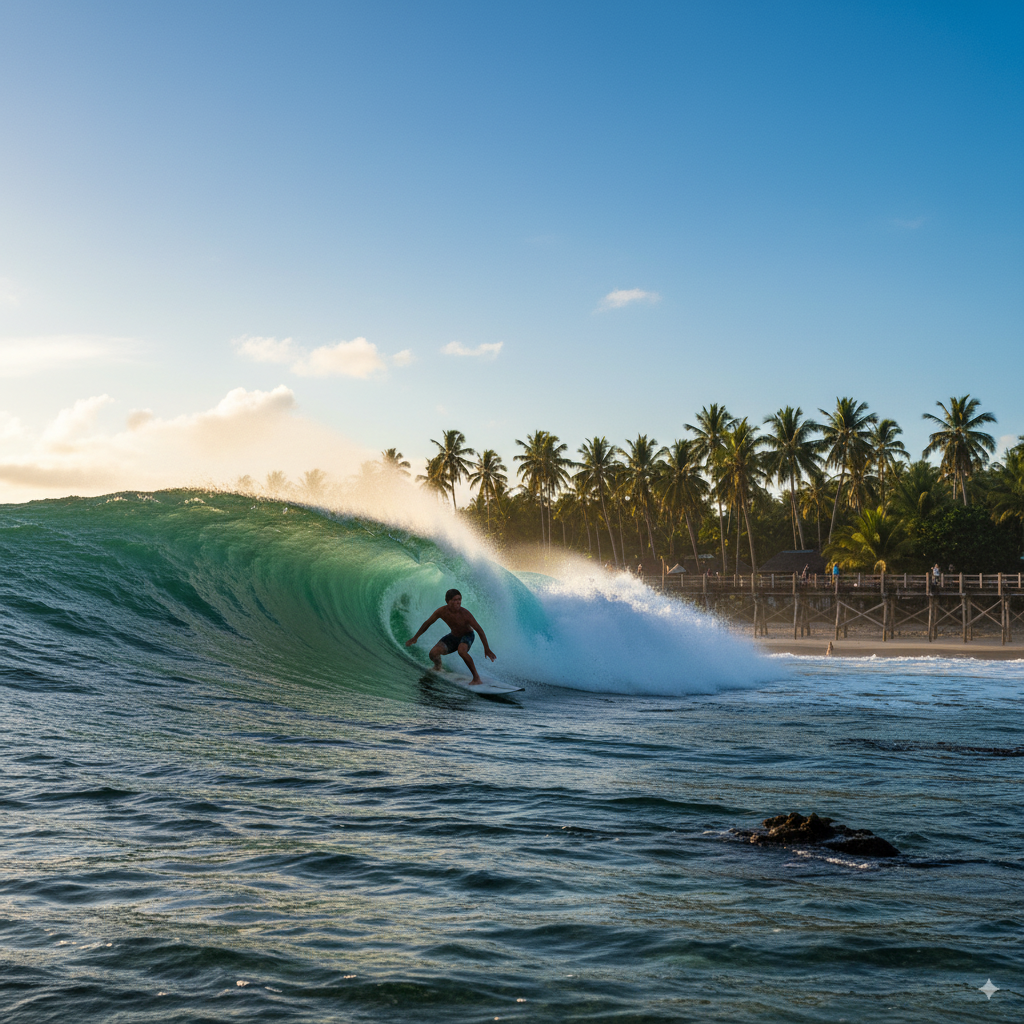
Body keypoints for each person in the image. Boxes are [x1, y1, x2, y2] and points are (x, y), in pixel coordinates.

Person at [405, 588, 496, 684]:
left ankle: (476, 678)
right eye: (455, 600)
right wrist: (415, 637)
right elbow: (428, 623)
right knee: (433, 653)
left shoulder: (465, 614)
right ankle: (438, 667)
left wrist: (487, 648)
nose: (458, 602)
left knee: (462, 651)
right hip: (453, 636)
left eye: (459, 599)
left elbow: (479, 630)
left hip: (467, 635)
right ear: (448, 601)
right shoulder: (441, 611)